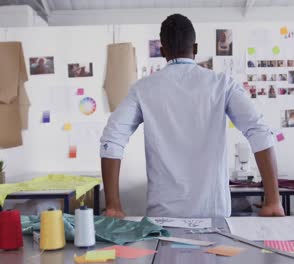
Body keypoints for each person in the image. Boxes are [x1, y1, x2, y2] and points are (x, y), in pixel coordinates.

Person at [100, 14, 284, 219]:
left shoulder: (143, 89)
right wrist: (273, 200)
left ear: (162, 51)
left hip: (163, 217)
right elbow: (259, 131)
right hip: (213, 214)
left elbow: (112, 138)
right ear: (195, 49)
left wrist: (113, 206)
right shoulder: (222, 84)